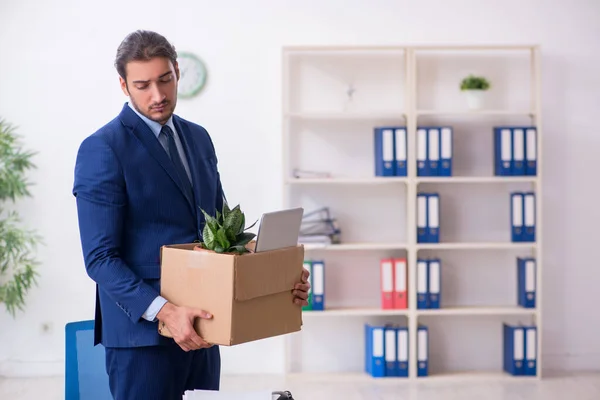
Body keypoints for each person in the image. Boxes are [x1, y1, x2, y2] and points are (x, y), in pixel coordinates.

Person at [72, 30, 310, 400]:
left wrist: (278, 274)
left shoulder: (198, 138)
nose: (158, 95)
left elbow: (221, 236)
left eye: (165, 79)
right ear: (123, 86)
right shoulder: (103, 148)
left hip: (203, 330)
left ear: (177, 72)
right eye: (143, 85)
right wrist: (166, 312)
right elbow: (100, 259)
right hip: (143, 339)